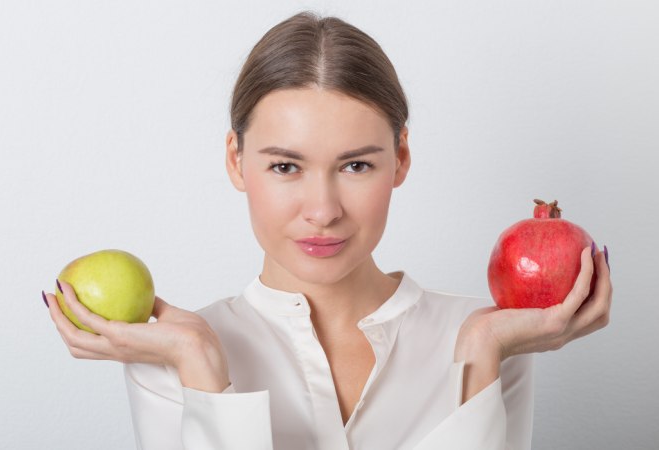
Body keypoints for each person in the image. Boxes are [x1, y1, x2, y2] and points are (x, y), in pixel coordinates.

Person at [43, 11, 612, 450]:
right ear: (237, 161)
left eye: (355, 165)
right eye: (285, 166)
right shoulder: (172, 351)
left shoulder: (491, 335)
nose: (322, 210)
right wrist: (198, 363)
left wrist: (484, 354)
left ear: (402, 158)